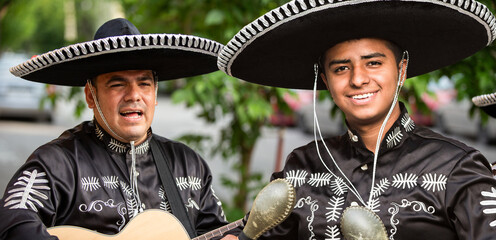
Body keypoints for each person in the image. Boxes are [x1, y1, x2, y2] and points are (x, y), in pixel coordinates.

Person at [217, 0, 496, 239]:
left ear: (401, 70)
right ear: (325, 80)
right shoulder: (301, 167)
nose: (358, 79)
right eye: (341, 68)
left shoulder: (457, 168)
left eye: (373, 63)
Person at [0, 18, 236, 240]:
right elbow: (12, 219)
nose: (134, 95)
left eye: (144, 83)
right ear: (91, 96)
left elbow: (215, 230)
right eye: (117, 84)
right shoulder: (57, 164)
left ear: (154, 94)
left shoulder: (188, 165)